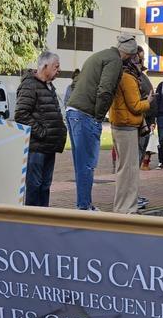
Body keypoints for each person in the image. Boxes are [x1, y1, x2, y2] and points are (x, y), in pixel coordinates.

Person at [66, 33, 139, 210]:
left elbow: (77, 82)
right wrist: (98, 116)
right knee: (88, 165)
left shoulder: (99, 55)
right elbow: (105, 90)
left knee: (81, 164)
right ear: (129, 54)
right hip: (86, 115)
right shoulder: (114, 61)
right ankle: (84, 207)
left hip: (73, 111)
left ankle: (83, 204)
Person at [14, 50, 66, 207]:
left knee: (44, 186)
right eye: (56, 67)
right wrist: (42, 132)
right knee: (35, 186)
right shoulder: (30, 86)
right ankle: (32, 221)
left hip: (49, 146)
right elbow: (21, 114)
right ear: (45, 66)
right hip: (38, 147)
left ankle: (43, 218)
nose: (59, 71)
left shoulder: (48, 86)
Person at [108, 49, 153, 214]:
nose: (141, 64)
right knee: (129, 170)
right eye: (139, 60)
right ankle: (126, 207)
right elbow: (135, 106)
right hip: (126, 127)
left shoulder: (123, 75)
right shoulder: (128, 78)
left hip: (122, 125)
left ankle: (125, 206)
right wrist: (148, 102)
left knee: (126, 169)